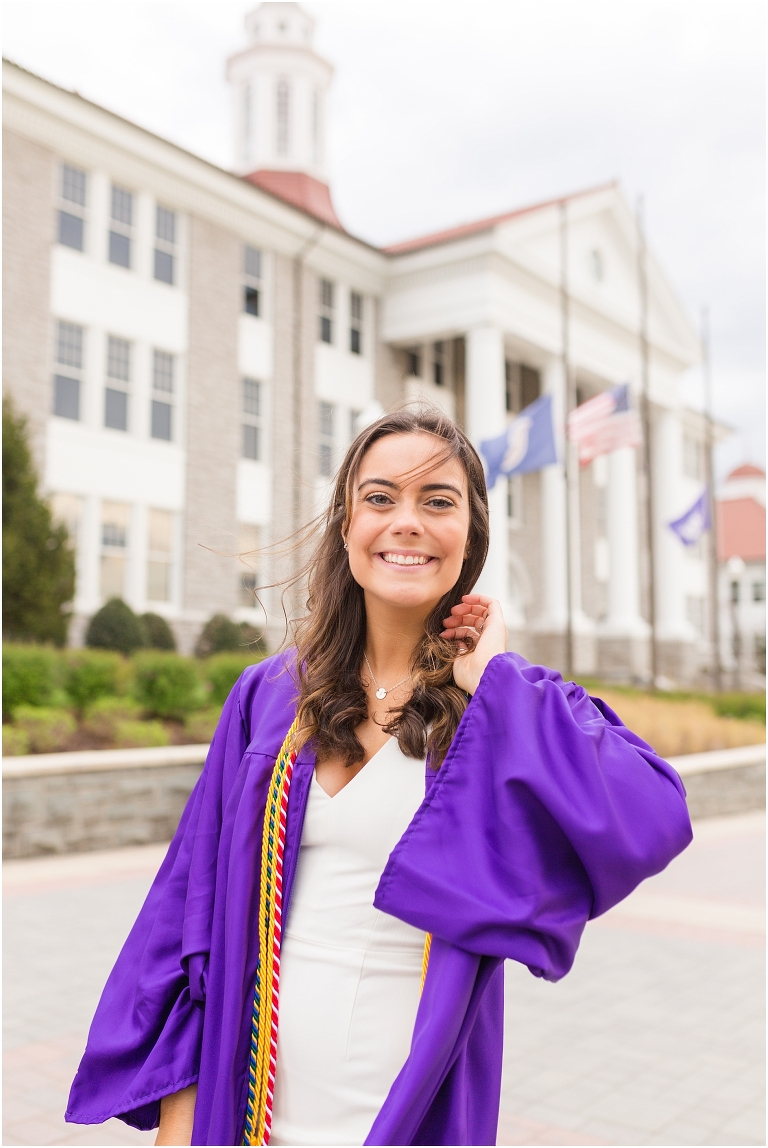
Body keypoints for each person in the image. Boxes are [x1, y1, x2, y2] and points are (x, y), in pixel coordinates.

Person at [66, 407, 692, 1146]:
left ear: (471, 535)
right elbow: (185, 928)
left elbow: (651, 812)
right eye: (381, 497)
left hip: (412, 1115)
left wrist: (491, 672)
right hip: (251, 1112)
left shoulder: (498, 710)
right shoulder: (267, 700)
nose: (407, 521)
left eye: (438, 501)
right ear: (346, 525)